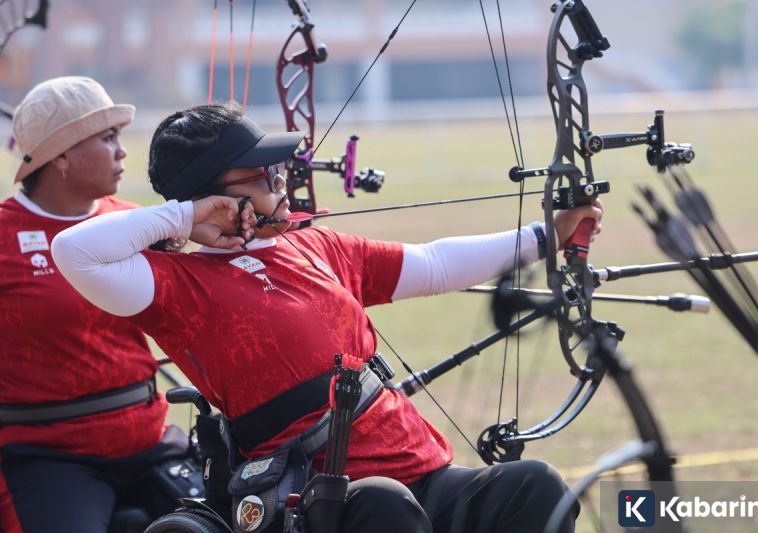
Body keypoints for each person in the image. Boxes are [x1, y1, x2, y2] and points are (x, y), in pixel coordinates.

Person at [52, 103, 603, 533]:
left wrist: (544, 236)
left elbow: (434, 263)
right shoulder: (174, 286)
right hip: (320, 502)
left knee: (536, 487)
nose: (282, 182)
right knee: (383, 506)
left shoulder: (316, 247)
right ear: (217, 198)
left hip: (423, 472)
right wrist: (184, 216)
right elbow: (74, 252)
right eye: (265, 176)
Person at [0, 77, 200, 533]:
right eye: (107, 138)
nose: (122, 150)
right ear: (62, 156)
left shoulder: (130, 221)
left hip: (149, 442)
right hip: (49, 457)